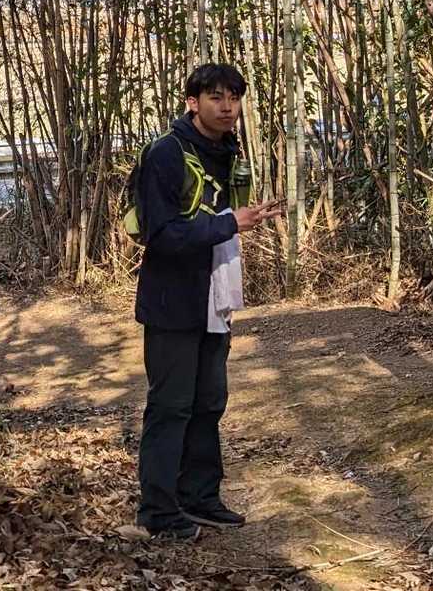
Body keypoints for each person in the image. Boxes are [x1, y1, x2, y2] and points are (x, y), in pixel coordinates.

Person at [132, 63, 283, 541]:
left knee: (209, 402)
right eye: (215, 97)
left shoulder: (225, 150)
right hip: (173, 300)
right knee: (171, 406)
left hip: (215, 296)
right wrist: (230, 223)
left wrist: (240, 219)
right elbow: (160, 235)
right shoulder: (166, 153)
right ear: (192, 103)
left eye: (234, 98)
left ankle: (199, 496)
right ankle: (158, 511)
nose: (227, 107)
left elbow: (219, 218)